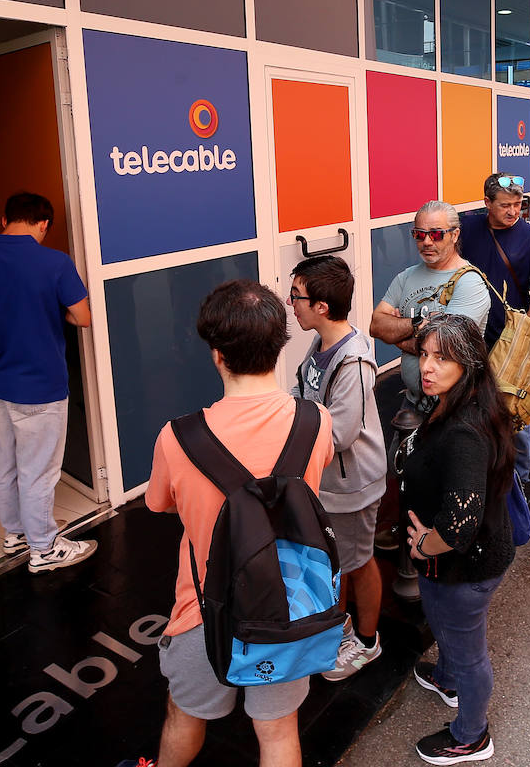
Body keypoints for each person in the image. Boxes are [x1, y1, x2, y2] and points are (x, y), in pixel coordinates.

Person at [145, 280, 334, 767]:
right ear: (279, 345)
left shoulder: (179, 437)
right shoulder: (316, 422)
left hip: (202, 608)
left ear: (216, 355)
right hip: (287, 606)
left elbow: (160, 505)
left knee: (184, 715)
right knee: (277, 732)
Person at [0, 191, 96, 573]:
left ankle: (16, 534)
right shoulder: (54, 263)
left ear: (5, 219)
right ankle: (44, 549)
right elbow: (83, 318)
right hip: (41, 386)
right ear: (43, 223)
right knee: (39, 471)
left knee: (5, 463)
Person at [400, 314, 515, 765]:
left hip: (465, 566)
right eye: (424, 354)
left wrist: (423, 545)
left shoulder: (465, 430)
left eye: (441, 359)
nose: (426, 367)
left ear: (467, 365)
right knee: (447, 628)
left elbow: (460, 523)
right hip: (460, 561)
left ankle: (471, 734)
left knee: (467, 650)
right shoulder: (455, 401)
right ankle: (446, 678)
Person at [371, 200, 490, 598]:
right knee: (402, 475)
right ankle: (408, 543)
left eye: (436, 234)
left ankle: (434, 562)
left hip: (451, 409)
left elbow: (448, 347)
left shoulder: (470, 283)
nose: (426, 242)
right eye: (419, 234)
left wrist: (407, 337)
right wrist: (422, 329)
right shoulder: (407, 276)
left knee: (442, 487)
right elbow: (376, 325)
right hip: (412, 402)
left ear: (455, 234)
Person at [288, 256, 386, 682]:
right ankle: (339, 627)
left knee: (358, 561)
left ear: (322, 307)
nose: (292, 304)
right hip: (329, 483)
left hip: (351, 485)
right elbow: (303, 389)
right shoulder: (323, 345)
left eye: (297, 297)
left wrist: (294, 429)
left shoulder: (353, 361)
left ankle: (367, 642)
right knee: (338, 560)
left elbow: (341, 433)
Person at [459, 172, 530, 482]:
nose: (514, 212)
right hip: (470, 338)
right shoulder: (467, 227)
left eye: (518, 205)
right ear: (486, 203)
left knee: (514, 414)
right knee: (471, 408)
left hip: (509, 341)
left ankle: (520, 480)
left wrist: (521, 336)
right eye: (505, 205)